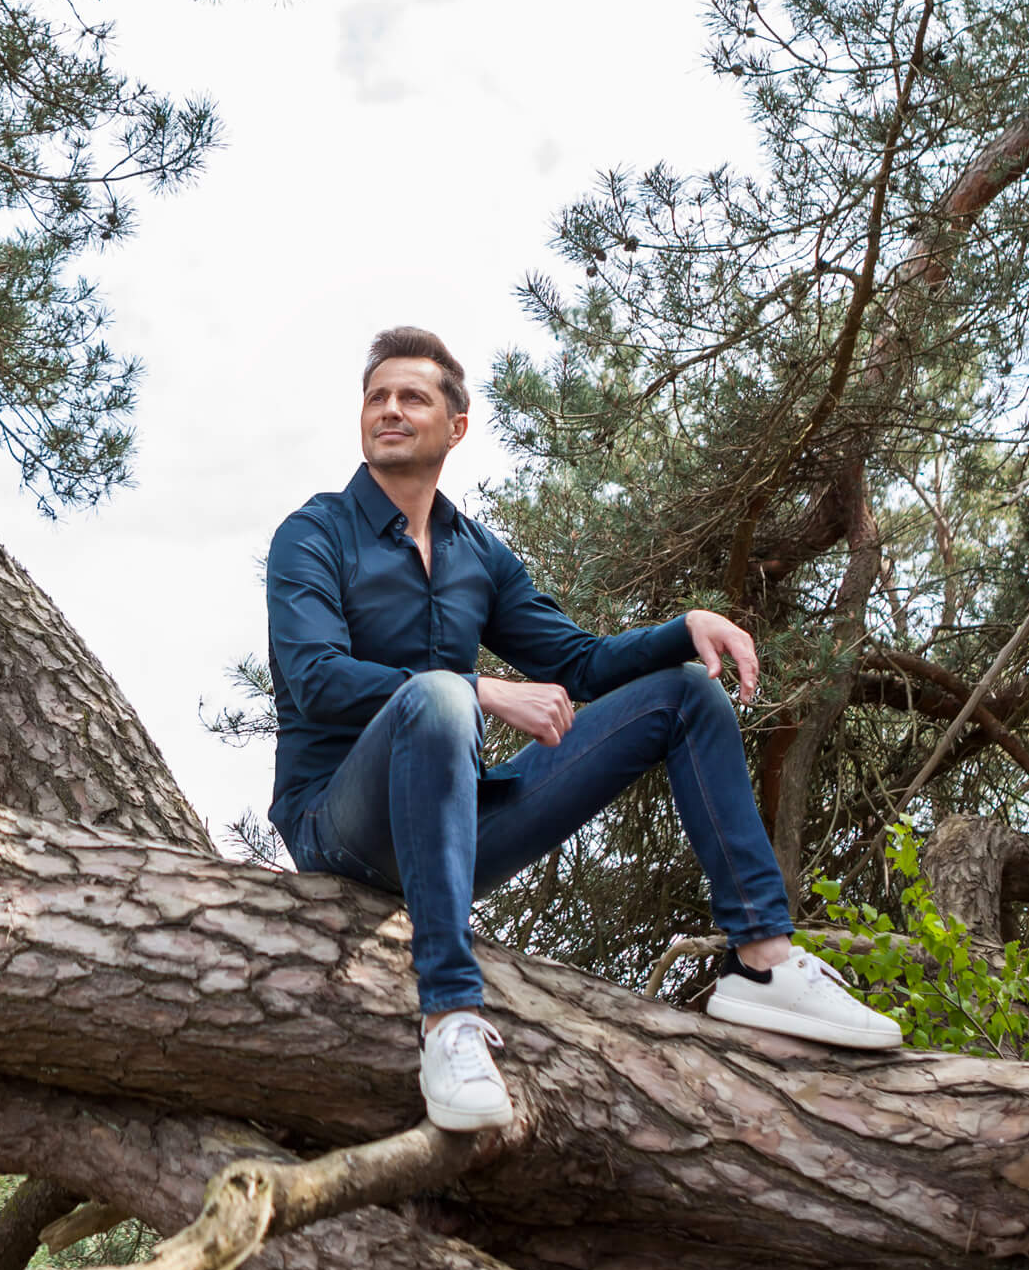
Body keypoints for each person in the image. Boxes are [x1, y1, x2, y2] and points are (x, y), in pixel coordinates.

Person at [266, 327, 899, 1132]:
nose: (388, 410)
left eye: (411, 396)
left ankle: (762, 963)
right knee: (439, 699)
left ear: (455, 426)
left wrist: (683, 628)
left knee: (682, 694)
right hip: (338, 828)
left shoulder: (476, 556)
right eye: (376, 397)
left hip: (454, 832)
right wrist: (478, 688)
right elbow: (316, 682)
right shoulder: (312, 535)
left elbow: (579, 662)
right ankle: (448, 1020)